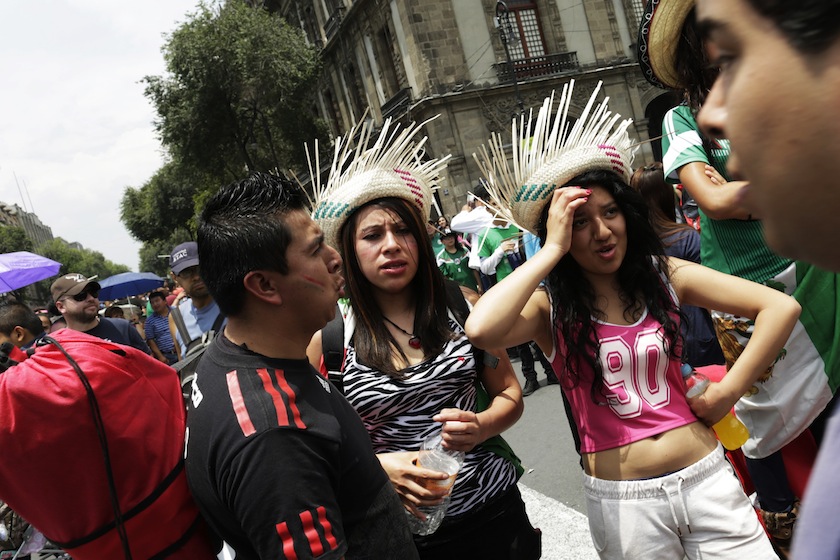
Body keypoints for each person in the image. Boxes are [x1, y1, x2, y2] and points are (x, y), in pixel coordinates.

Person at [467, 80, 796, 559]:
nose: (602, 232)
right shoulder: (547, 309)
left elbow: (779, 307)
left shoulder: (664, 275)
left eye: (611, 212)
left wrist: (727, 392)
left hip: (707, 480)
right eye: (580, 222)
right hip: (626, 507)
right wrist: (551, 249)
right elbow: (481, 329)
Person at [638, 3, 840, 554]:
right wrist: (788, 180)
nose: (717, 112)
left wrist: (795, 177)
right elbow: (715, 200)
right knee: (761, 419)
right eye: (718, 59)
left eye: (736, 55)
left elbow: (731, 196)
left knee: (830, 400)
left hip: (815, 271)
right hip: (746, 292)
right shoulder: (680, 120)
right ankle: (781, 516)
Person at [306, 118, 539, 559]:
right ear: (351, 252)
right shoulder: (330, 341)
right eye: (373, 235)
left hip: (496, 514)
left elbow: (509, 392)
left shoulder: (463, 307)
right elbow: (314, 448)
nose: (391, 245)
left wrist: (482, 425)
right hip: (404, 538)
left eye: (404, 230)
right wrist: (377, 467)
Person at [184, 172, 418, 560]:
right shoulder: (275, 437)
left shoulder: (238, 359)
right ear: (264, 285)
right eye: (316, 249)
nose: (336, 259)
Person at [630, 163, 723, 367]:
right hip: (699, 338)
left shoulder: (630, 246)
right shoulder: (685, 238)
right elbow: (710, 296)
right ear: (667, 196)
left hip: (654, 343)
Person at [50, 273, 150, 353]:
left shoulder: (122, 328)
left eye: (93, 293)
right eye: (80, 296)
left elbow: (149, 368)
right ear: (61, 306)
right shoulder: (55, 346)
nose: (91, 299)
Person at [168, 241, 225, 361]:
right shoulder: (176, 318)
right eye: (186, 272)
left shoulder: (235, 305)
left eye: (201, 268)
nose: (196, 277)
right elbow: (182, 363)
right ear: (175, 278)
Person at [436, 227, 481, 292]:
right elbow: (444, 277)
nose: (450, 239)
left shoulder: (465, 250)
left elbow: (473, 268)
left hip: (472, 286)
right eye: (446, 238)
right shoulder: (441, 257)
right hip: (456, 290)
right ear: (442, 241)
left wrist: (480, 285)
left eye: (451, 236)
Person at [145, 290, 177, 364]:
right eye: (152, 303)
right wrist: (160, 357)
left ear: (165, 301)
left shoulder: (176, 311)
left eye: (157, 301)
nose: (155, 304)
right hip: (168, 355)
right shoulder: (150, 321)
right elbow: (150, 340)